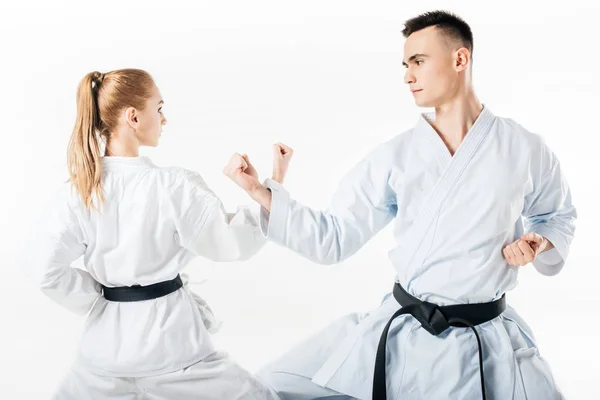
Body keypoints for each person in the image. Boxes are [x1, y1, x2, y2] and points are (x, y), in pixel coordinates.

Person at [226, 10, 577, 400]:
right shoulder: (396, 156)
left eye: (419, 62)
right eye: (405, 65)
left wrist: (538, 243)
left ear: (460, 60)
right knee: (269, 386)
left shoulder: (524, 147)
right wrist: (262, 194)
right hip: (406, 332)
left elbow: (557, 216)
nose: (408, 75)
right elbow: (334, 238)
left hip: (486, 339)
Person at [17, 68, 281, 400]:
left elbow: (42, 267)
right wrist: (265, 191)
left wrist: (100, 295)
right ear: (133, 117)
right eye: (158, 109)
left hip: (104, 354)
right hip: (173, 347)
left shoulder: (79, 191)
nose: (164, 119)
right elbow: (230, 243)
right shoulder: (173, 186)